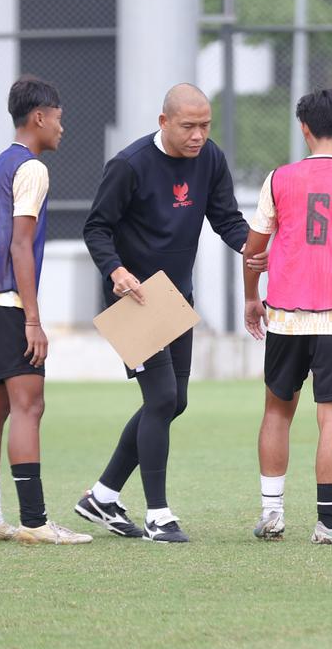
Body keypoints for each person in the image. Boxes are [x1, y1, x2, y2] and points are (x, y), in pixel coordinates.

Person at [76, 83, 260, 543]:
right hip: (132, 297)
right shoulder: (130, 164)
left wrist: (257, 249)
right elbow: (96, 227)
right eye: (189, 126)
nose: (198, 136)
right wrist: (116, 271)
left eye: (205, 126)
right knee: (160, 398)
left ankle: (102, 495)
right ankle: (158, 515)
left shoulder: (211, 159)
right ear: (164, 122)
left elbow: (227, 219)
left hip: (176, 296)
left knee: (174, 401)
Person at [241, 88, 332, 545]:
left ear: (303, 129)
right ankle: (328, 526)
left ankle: (271, 513)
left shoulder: (277, 179)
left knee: (276, 412)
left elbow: (253, 249)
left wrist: (252, 297)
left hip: (285, 317)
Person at [0, 76, 91, 545]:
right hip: (7, 302)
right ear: (39, 117)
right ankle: (34, 521)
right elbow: (20, 245)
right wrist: (33, 320)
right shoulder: (32, 169)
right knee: (29, 405)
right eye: (58, 119)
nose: (62, 128)